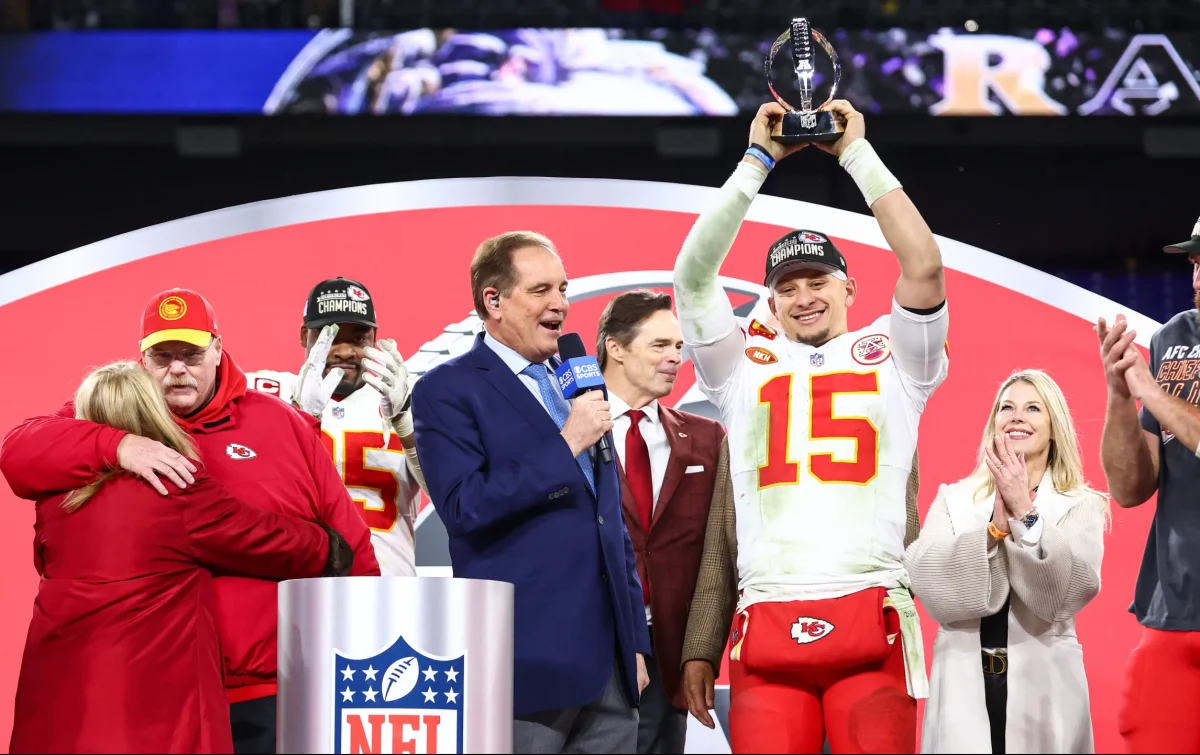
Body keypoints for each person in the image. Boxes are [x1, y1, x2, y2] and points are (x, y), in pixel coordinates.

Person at [670, 101, 948, 754]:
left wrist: (855, 152)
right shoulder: (740, 367)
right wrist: (755, 162)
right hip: (767, 617)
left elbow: (925, 267)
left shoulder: (896, 357)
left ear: (851, 288)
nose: (803, 296)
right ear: (769, 301)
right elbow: (691, 276)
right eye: (787, 287)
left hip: (871, 606)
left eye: (817, 280)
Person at [0, 288, 380, 755]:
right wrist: (117, 446)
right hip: (161, 695)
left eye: (191, 354)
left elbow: (353, 550)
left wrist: (366, 661)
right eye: (162, 356)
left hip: (270, 690)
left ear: (218, 350)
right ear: (142, 360)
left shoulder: (282, 424)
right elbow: (18, 449)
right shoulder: (111, 420)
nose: (177, 369)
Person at [411, 230, 651, 754]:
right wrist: (566, 444)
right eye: (541, 290)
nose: (561, 303)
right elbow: (462, 506)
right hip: (523, 660)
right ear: (493, 301)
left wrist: (633, 642)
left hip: (610, 662)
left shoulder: (577, 382)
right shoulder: (447, 388)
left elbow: (609, 521)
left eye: (563, 289)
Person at [904, 369, 1107, 753]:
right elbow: (927, 581)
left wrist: (1024, 513)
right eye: (1006, 407)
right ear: (993, 424)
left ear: (1053, 428)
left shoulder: (1082, 505)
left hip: (1046, 687)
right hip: (961, 685)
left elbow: (1064, 595)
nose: (1017, 416)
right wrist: (992, 532)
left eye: (1033, 408)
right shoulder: (954, 498)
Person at [595, 289, 727, 754]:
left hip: (669, 655)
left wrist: (702, 650)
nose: (676, 358)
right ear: (616, 348)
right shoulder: (565, 428)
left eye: (678, 347)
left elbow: (719, 552)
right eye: (660, 346)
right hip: (592, 646)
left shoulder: (708, 438)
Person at [1098, 217, 1200, 753]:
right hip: (1175, 613)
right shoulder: (1174, 339)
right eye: (1197, 262)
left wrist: (1149, 390)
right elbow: (1132, 487)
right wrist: (1120, 394)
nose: (1199, 277)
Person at [247, 277, 428, 576]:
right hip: (298, 586)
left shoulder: (407, 396)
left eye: (358, 338)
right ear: (305, 335)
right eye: (330, 337)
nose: (345, 351)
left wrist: (405, 420)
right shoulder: (268, 393)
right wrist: (299, 416)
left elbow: (447, 497)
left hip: (388, 586)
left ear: (374, 338)